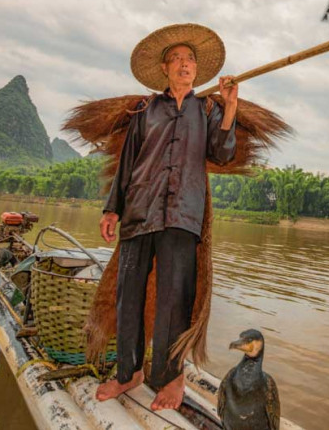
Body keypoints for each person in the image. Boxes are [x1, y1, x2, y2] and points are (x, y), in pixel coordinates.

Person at [95, 23, 238, 411]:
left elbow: (222, 154)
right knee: (129, 295)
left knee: (176, 298)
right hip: (139, 210)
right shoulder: (146, 110)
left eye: (189, 59)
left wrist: (231, 109)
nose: (184, 64)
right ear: (164, 68)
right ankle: (129, 374)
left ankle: (170, 377)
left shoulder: (207, 109)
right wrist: (113, 209)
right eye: (176, 58)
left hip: (182, 215)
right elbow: (128, 162)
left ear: (196, 70)